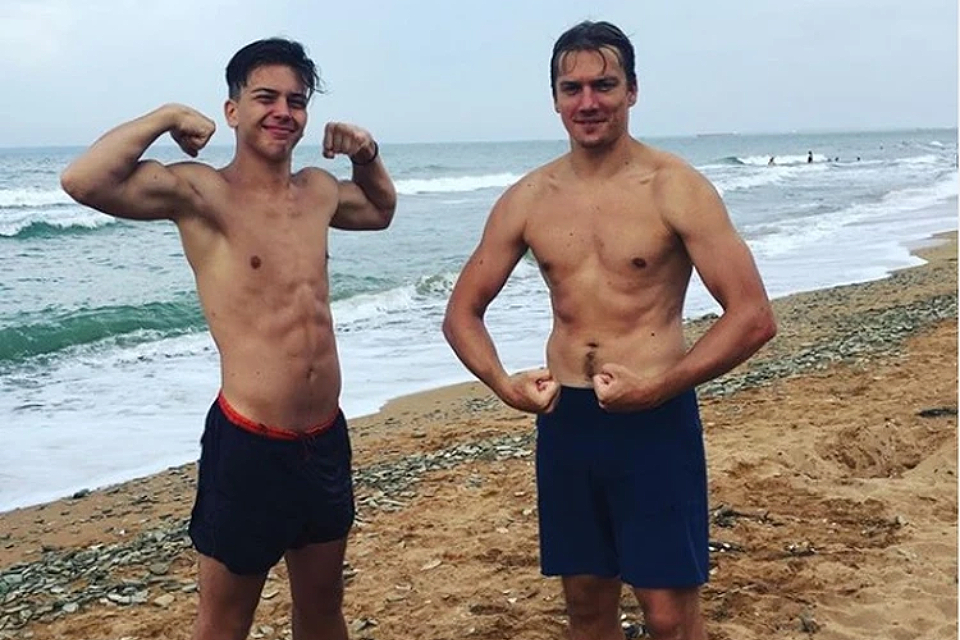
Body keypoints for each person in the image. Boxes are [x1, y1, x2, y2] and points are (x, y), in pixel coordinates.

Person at [442, 20, 775, 640]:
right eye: (572, 88)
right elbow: (462, 312)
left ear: (632, 91)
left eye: (605, 85)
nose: (588, 102)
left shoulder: (675, 188)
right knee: (587, 608)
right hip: (567, 422)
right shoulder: (528, 197)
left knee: (669, 614)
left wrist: (661, 387)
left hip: (655, 421)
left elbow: (753, 315)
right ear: (555, 98)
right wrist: (503, 385)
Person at [61, 38, 396, 640]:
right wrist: (166, 116)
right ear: (233, 110)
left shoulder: (318, 191)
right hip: (249, 444)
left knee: (322, 608)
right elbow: (83, 180)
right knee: (224, 623)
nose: (283, 111)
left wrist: (367, 154)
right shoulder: (201, 193)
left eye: (296, 101)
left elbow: (380, 211)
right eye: (265, 97)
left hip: (324, 439)